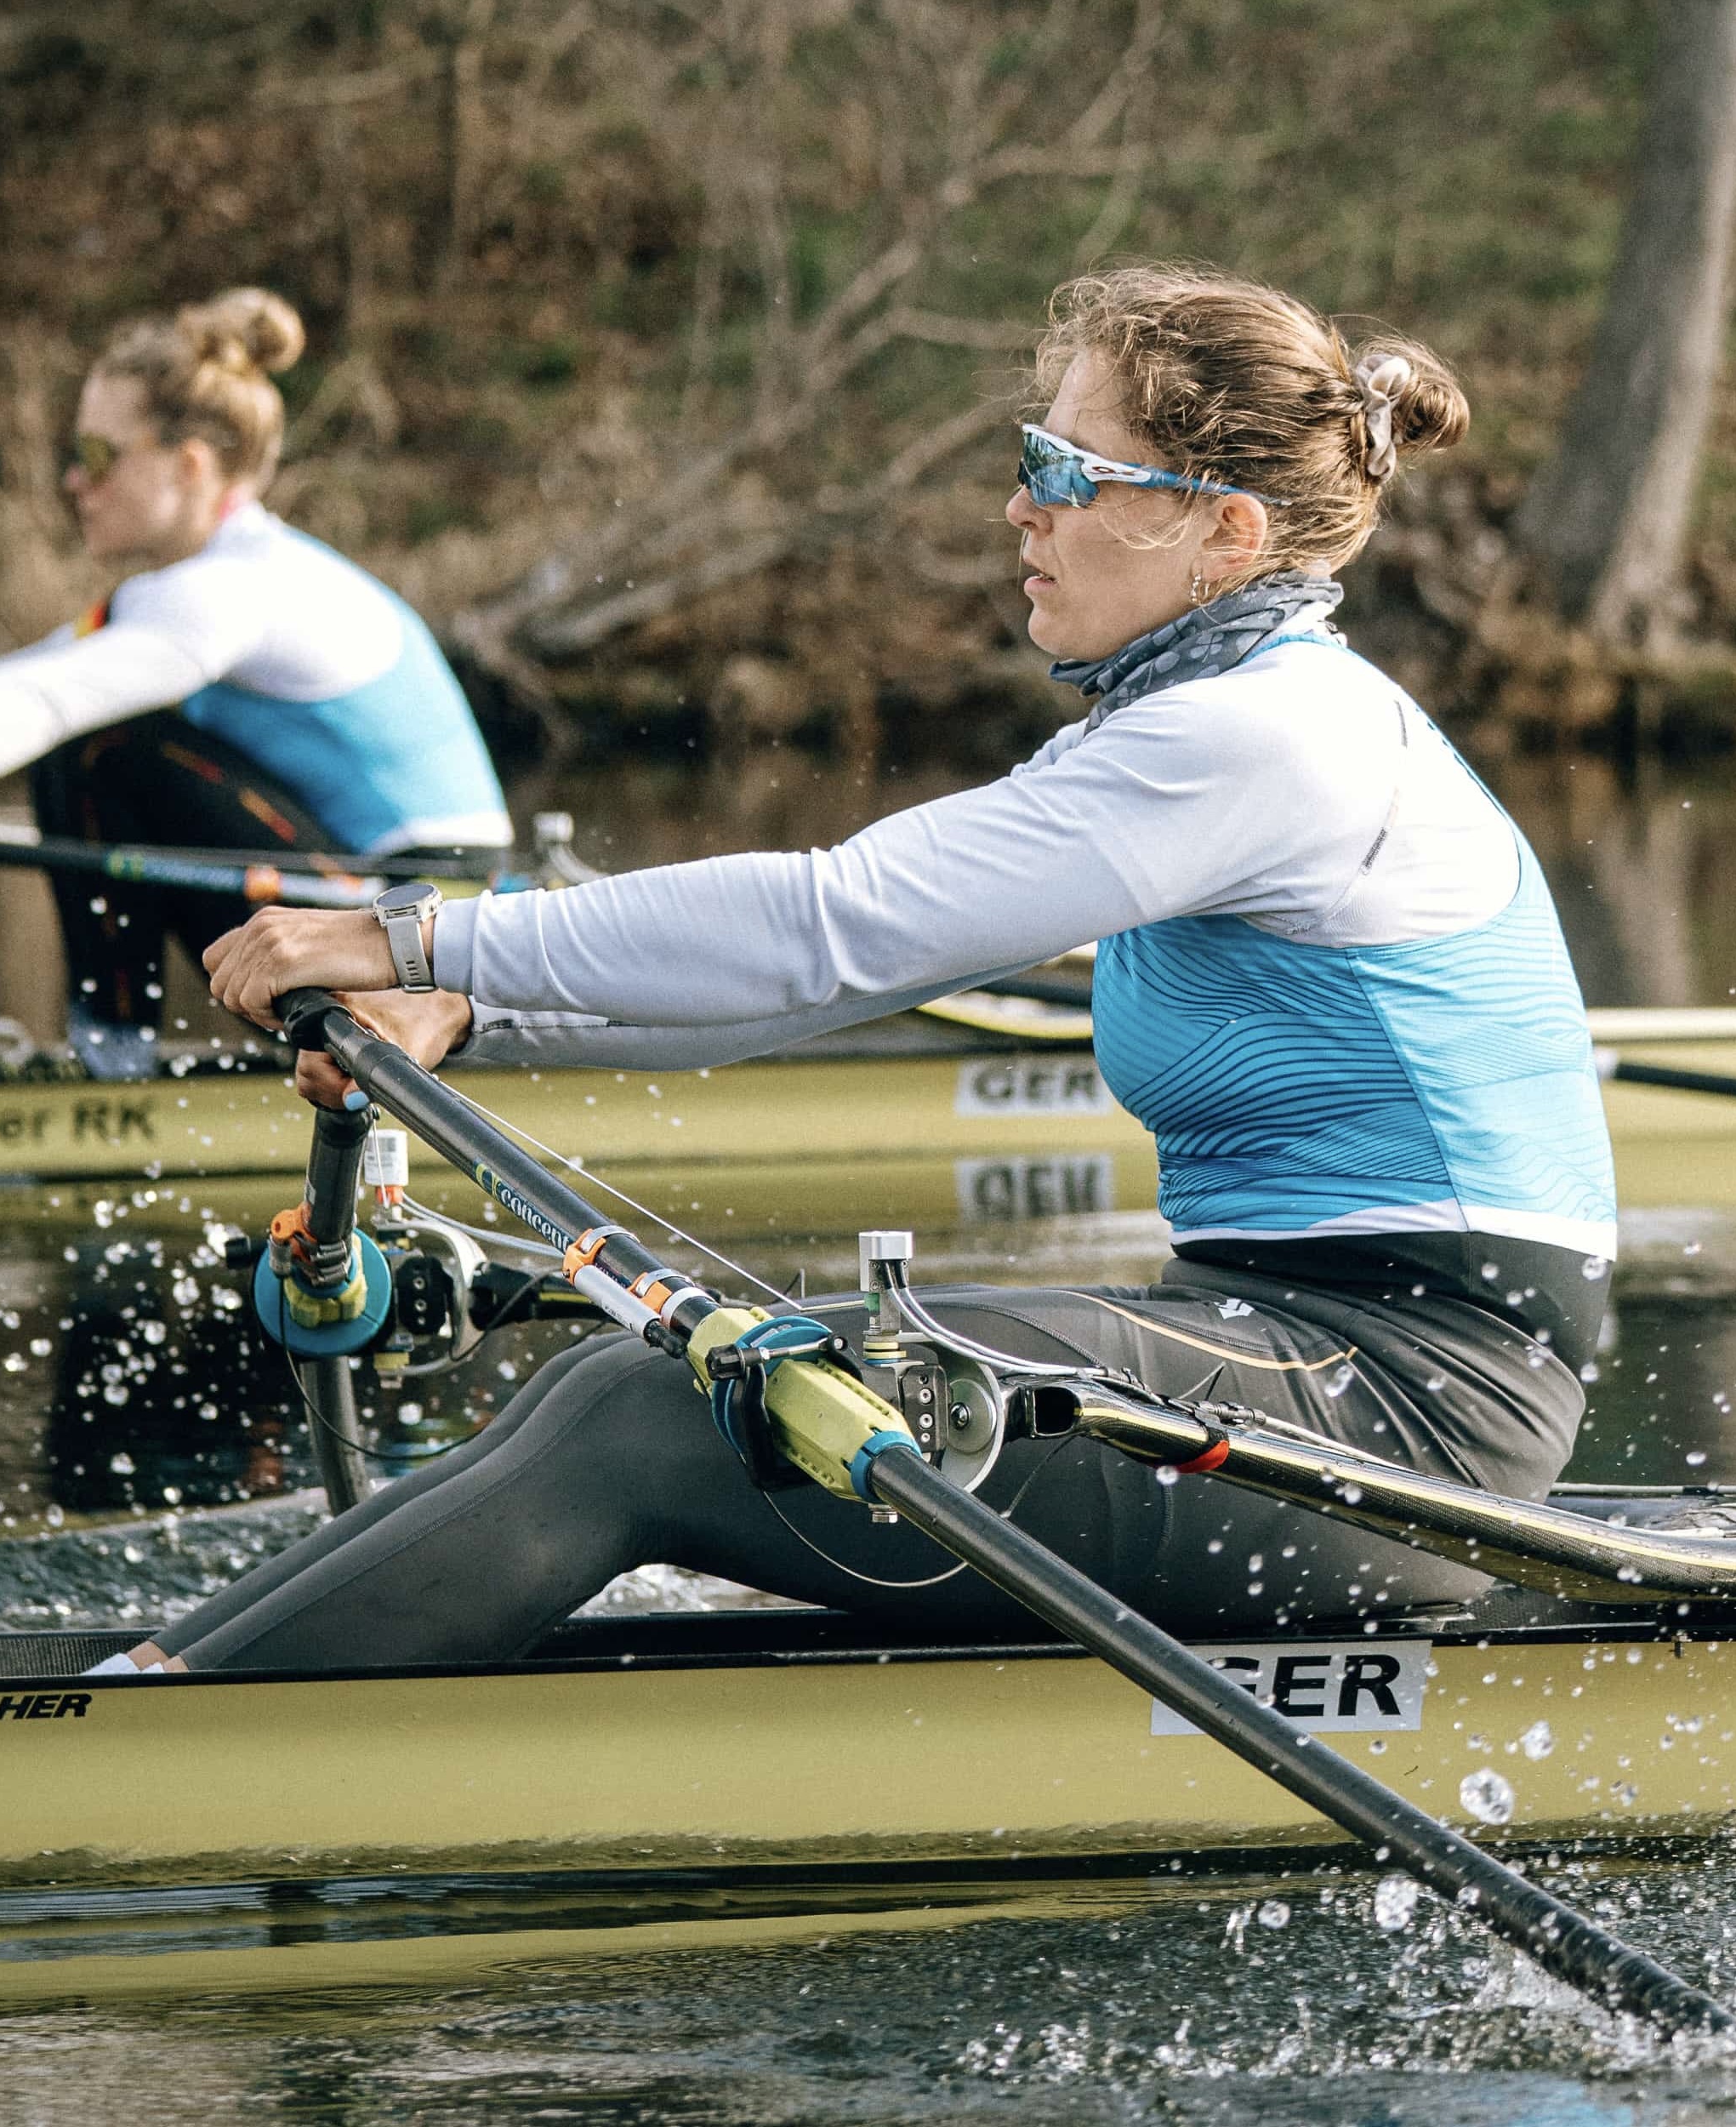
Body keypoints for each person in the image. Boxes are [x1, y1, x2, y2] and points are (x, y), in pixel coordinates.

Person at [101, 265, 1619, 1676]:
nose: (1018, 509)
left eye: (1063, 473)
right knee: (617, 1393)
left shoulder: (1267, 737)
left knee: (639, 1415)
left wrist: (415, 933)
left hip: (1408, 1419)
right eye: (1032, 455)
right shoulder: (1194, 719)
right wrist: (479, 1012)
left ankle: (128, 1743)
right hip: (1286, 1349)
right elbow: (820, 989)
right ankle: (154, 1692)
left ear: (1222, 531)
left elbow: (826, 921)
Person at [0, 288, 512, 1078]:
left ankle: (111, 1067)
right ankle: (112, 1058)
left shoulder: (232, 591)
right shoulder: (195, 586)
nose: (73, 480)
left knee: (96, 747)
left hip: (424, 934)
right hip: (402, 907)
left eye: (99, 455)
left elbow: (43, 705)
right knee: (83, 734)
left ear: (189, 465)